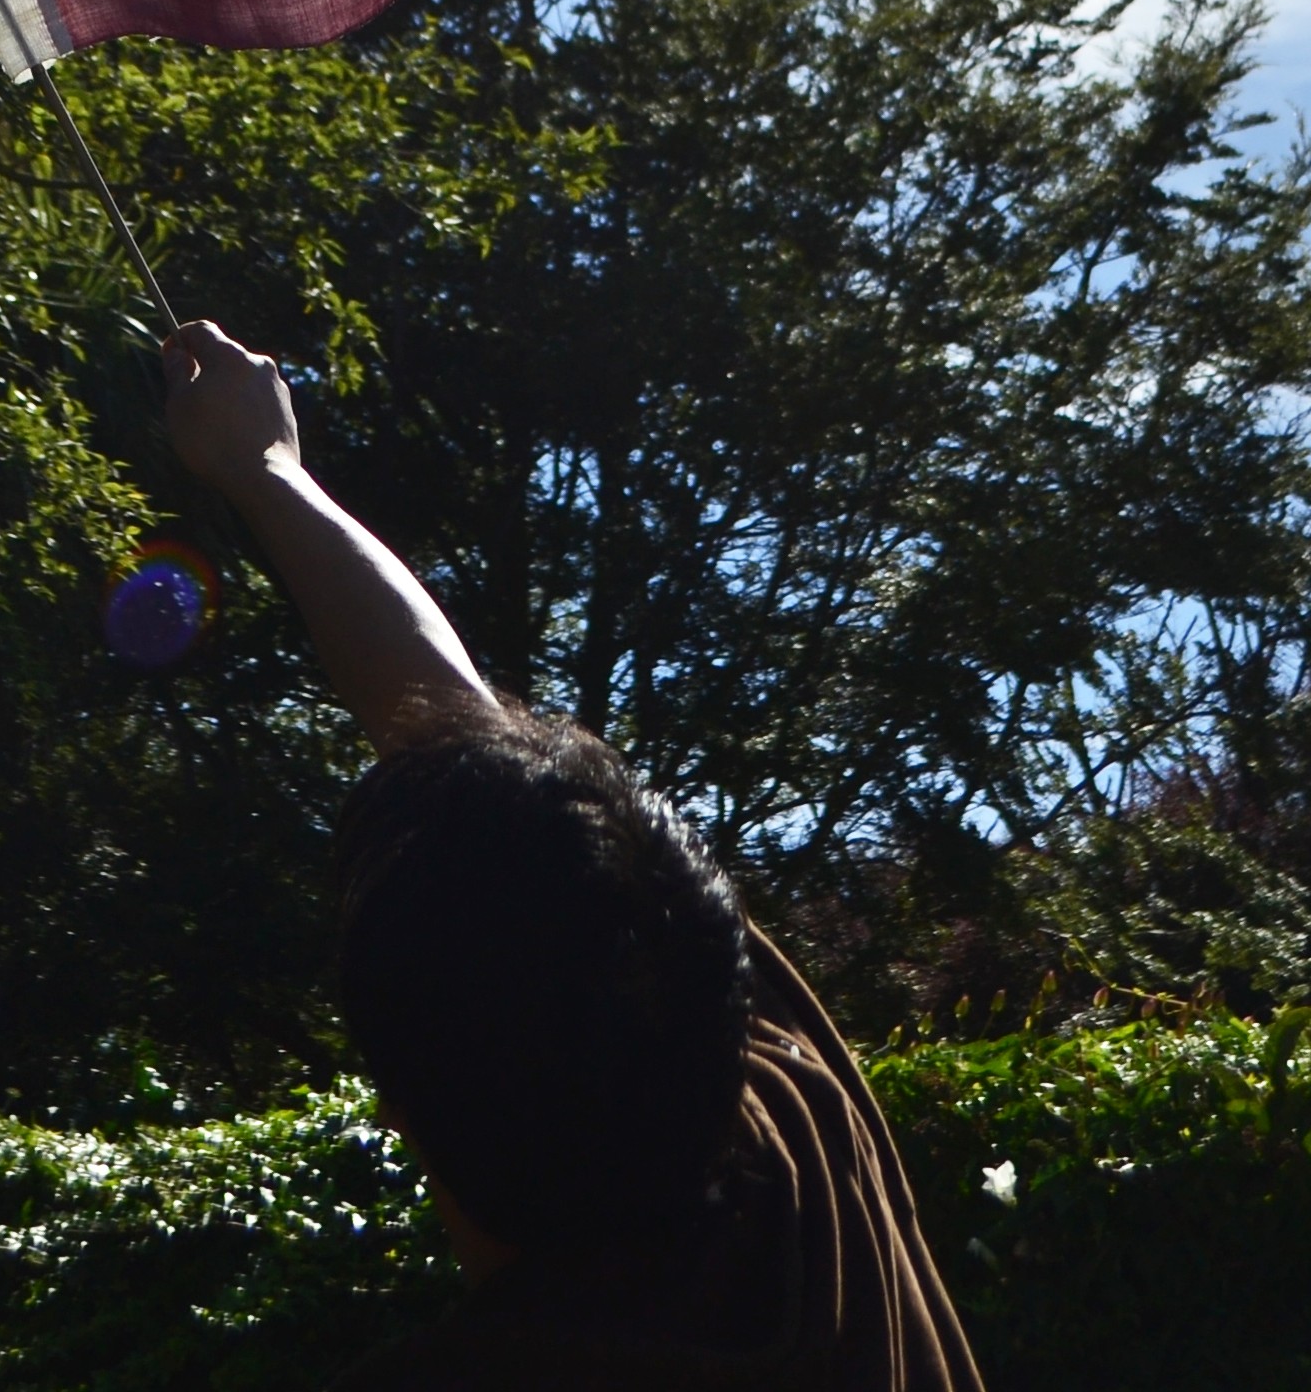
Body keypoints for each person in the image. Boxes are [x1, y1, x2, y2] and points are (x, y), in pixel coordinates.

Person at [162, 319, 986, 1392]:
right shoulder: (803, 1163)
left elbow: (448, 719)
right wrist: (275, 473)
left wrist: (262, 473)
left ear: (397, 1111)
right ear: (720, 999)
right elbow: (449, 718)